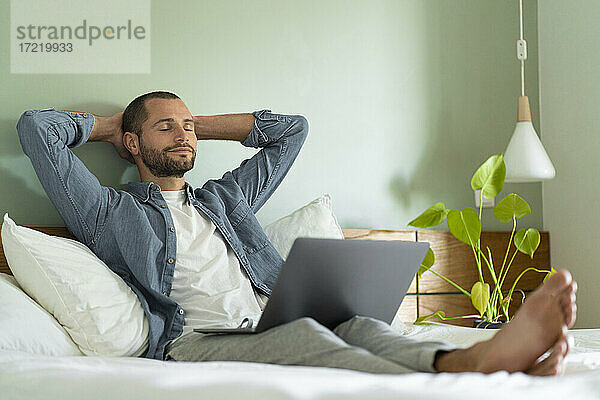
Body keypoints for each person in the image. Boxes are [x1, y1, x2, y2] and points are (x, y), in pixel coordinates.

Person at [16, 91, 577, 376]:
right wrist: (118, 125)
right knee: (314, 340)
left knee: (356, 323)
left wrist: (191, 123)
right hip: (196, 344)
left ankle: (473, 358)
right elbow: (37, 130)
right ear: (135, 146)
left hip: (275, 316)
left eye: (188, 127)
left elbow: (291, 132)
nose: (184, 135)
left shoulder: (224, 198)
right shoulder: (111, 212)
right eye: (168, 128)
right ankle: (467, 368)